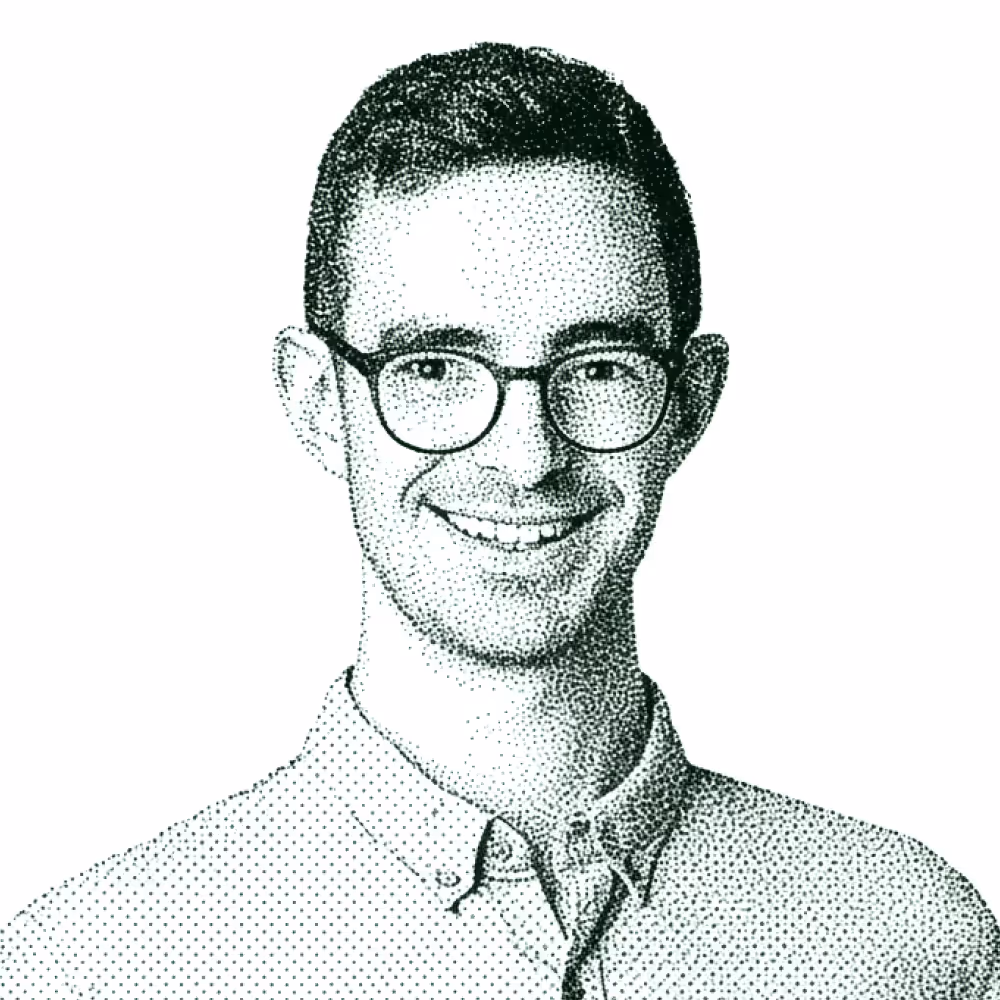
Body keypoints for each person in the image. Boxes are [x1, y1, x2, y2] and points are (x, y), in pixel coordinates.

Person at [2, 42, 996, 1000]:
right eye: (435, 367)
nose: (525, 457)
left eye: (599, 367)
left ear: (691, 402)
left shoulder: (907, 941)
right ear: (317, 402)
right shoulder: (100, 966)